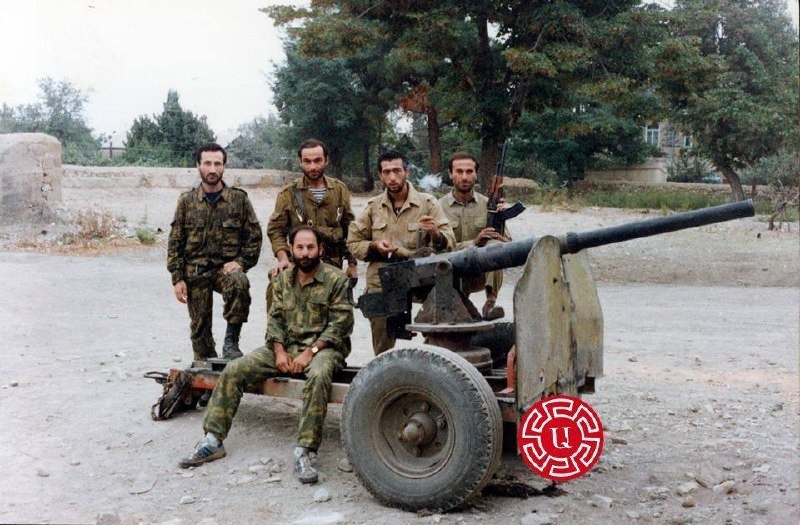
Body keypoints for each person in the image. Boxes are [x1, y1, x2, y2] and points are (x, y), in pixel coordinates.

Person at [179, 225, 354, 484]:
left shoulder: (336, 280)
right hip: (286, 347)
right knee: (235, 369)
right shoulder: (282, 280)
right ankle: (213, 440)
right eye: (299, 247)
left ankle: (305, 450)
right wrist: (280, 352)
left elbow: (340, 325)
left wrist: (310, 352)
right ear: (291, 250)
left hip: (324, 349)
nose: (305, 253)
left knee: (318, 376)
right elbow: (275, 320)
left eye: (310, 247)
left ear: (321, 250)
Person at [347, 149, 455, 355]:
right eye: (386, 172)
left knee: (443, 315)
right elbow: (353, 242)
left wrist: (435, 234)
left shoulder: (427, 203)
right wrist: (374, 247)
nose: (392, 177)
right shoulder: (373, 207)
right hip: (383, 275)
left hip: (419, 274)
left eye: (397, 171)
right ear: (380, 175)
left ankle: (438, 359)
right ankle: (384, 363)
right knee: (382, 334)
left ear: (406, 172)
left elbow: (450, 242)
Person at [167, 143, 262, 361]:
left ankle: (231, 343)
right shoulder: (187, 201)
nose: (212, 169)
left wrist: (241, 262)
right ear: (198, 166)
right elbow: (176, 241)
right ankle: (204, 364)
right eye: (207, 163)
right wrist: (177, 278)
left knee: (238, 281)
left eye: (217, 164)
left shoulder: (238, 200)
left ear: (224, 166)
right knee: (199, 330)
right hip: (196, 271)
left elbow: (254, 237)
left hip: (224, 270)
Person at [266, 139, 356, 279]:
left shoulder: (339, 190)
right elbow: (276, 230)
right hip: (300, 262)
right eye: (307, 161)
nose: (313, 167)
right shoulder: (288, 193)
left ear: (326, 160)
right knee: (277, 280)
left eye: (317, 161)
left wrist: (352, 263)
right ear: (300, 162)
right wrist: (283, 259)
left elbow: (350, 229)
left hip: (332, 265)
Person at [439, 151, 510, 320]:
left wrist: (499, 221)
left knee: (496, 247)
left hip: (479, 274)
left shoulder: (488, 204)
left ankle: (490, 304)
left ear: (476, 174)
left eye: (469, 171)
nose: (464, 177)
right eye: (459, 171)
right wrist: (475, 242)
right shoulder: (438, 207)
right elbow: (438, 250)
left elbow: (507, 244)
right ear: (450, 174)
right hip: (451, 275)